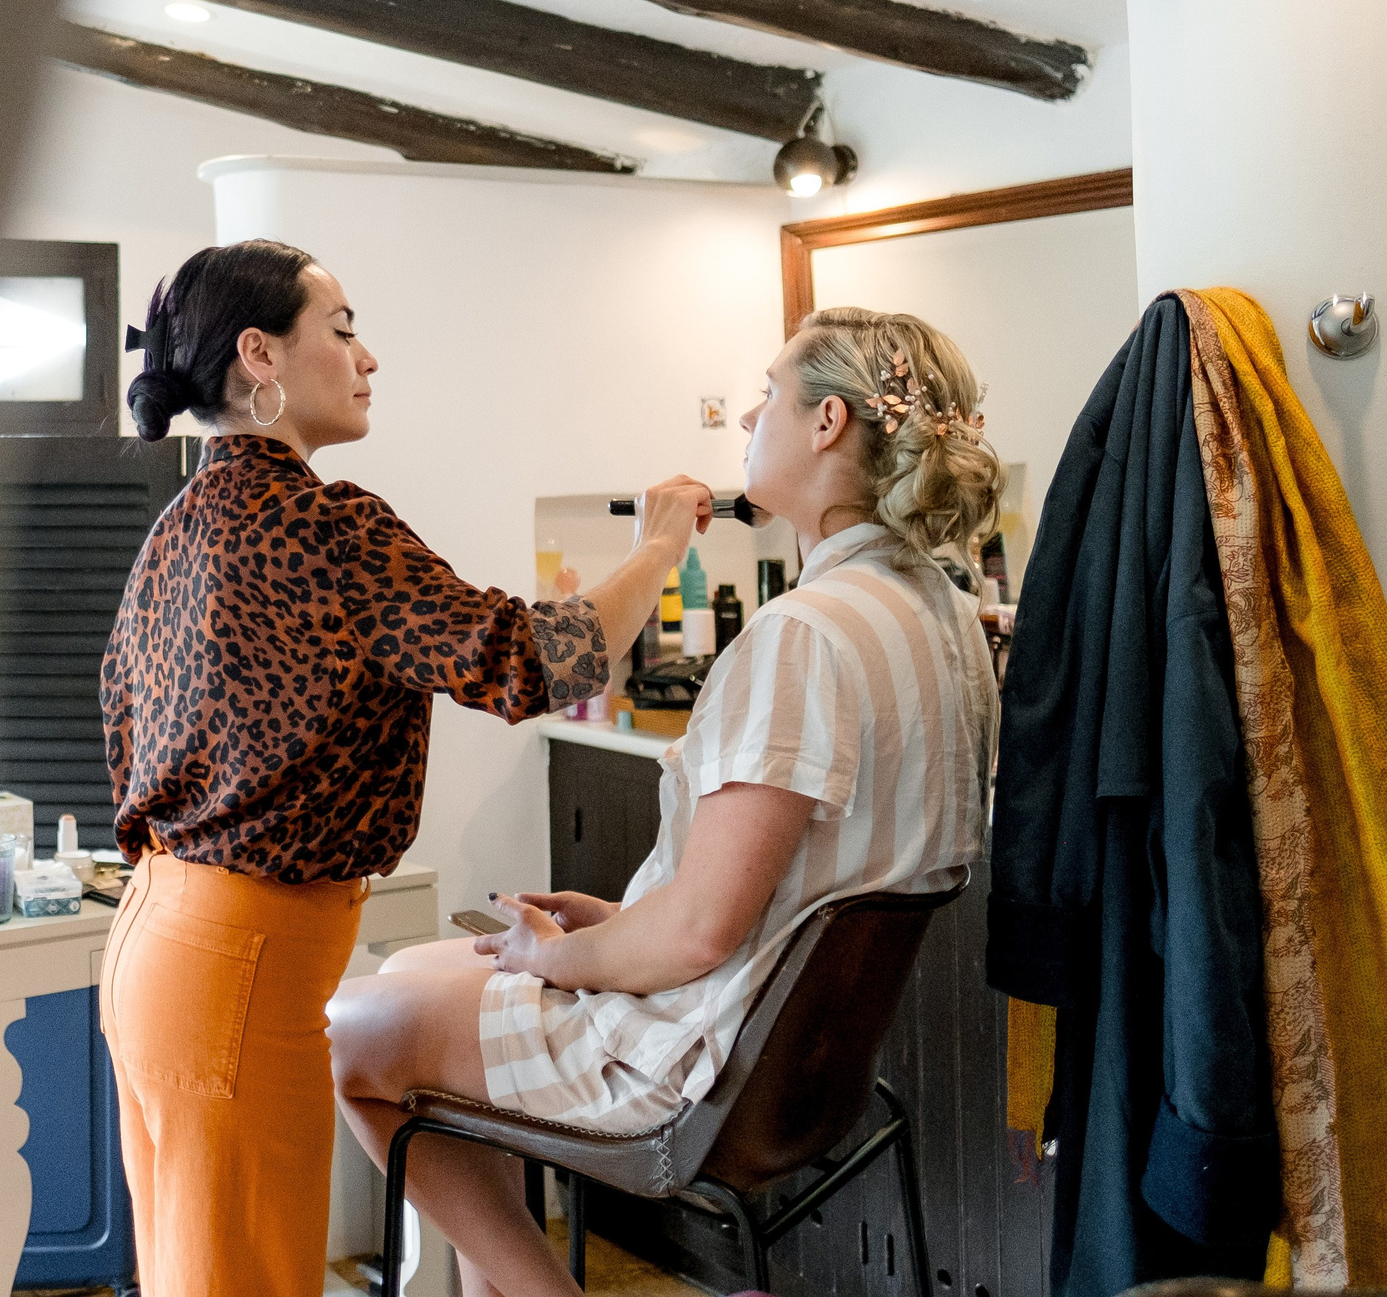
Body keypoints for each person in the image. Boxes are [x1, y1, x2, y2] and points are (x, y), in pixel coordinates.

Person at [327, 306, 1004, 1297]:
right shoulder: (942, 614)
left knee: (356, 1027)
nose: (748, 415)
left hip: (699, 1062)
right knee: (426, 973)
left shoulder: (804, 635)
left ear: (827, 423)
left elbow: (698, 933)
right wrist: (616, 923)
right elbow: (793, 892)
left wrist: (557, 957)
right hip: (805, 1065)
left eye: (768, 393)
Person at [96, 240, 711, 1297]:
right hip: (239, 965)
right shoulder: (323, 524)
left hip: (163, 944)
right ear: (259, 354)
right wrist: (658, 549)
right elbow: (534, 660)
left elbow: (122, 726)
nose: (367, 356)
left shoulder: (178, 527)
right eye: (341, 330)